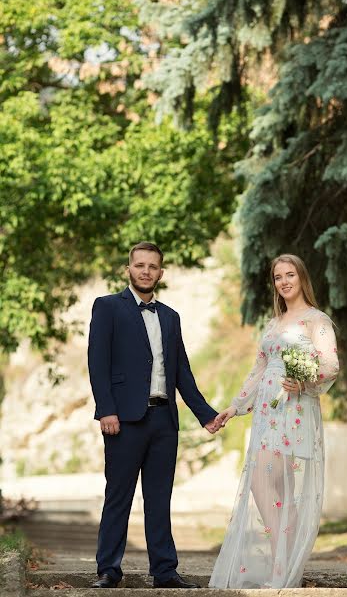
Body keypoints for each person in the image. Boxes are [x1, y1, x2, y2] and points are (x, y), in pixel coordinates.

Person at [88, 242, 219, 589]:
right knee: (119, 495)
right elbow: (97, 363)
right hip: (124, 420)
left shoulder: (171, 317)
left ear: (161, 273)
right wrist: (106, 410)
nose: (146, 271)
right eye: (140, 265)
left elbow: (182, 374)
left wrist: (206, 415)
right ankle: (108, 570)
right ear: (128, 269)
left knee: (160, 498)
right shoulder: (107, 308)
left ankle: (164, 571)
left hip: (164, 421)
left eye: (153, 266)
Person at [209, 253, 339, 589]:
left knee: (263, 481)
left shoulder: (316, 320)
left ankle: (284, 563)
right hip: (268, 410)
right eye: (278, 277)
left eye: (290, 275)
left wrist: (304, 381)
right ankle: (286, 567)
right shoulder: (274, 323)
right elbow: (259, 369)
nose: (283, 282)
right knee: (277, 488)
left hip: (294, 407)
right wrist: (235, 407)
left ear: (302, 278)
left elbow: (330, 365)